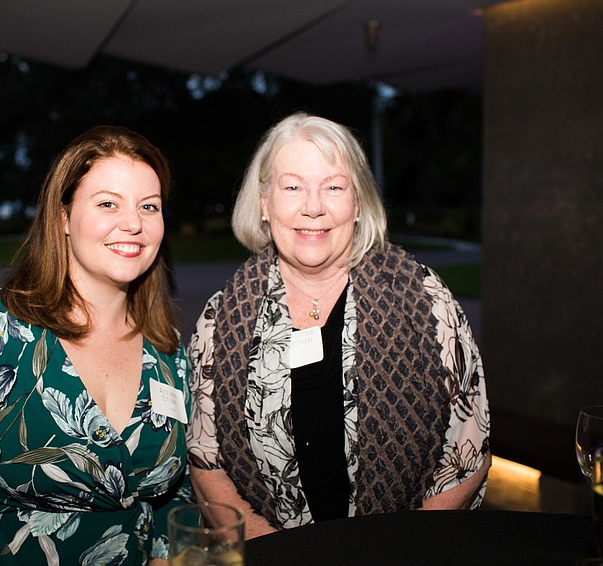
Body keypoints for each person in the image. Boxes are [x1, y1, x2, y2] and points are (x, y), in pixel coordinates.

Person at [187, 112, 490, 539]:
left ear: (359, 204)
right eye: (292, 187)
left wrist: (399, 553)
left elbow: (468, 453)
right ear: (263, 203)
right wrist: (273, 553)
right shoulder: (222, 319)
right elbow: (206, 463)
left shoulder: (425, 300)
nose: (313, 207)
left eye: (333, 187)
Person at [0, 125, 191, 565]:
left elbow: (178, 493)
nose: (133, 223)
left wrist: (170, 556)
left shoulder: (168, 348)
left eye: (148, 207)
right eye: (107, 204)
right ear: (63, 218)